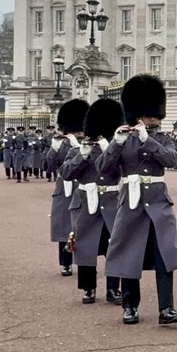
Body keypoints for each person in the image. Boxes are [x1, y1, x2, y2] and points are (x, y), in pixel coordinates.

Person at [100, 75, 177, 326]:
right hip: (131, 203)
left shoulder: (160, 139)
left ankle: (167, 308)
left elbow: (172, 161)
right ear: (137, 114)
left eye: (155, 116)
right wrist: (115, 143)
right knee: (130, 255)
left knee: (165, 257)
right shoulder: (122, 139)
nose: (154, 120)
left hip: (158, 204)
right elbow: (105, 170)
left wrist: (146, 139)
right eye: (150, 116)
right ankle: (129, 307)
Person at [61, 98, 124, 304]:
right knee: (85, 247)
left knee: (112, 246)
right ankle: (88, 288)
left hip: (110, 201)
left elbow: (123, 171)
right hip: (86, 202)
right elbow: (66, 174)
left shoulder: (116, 150)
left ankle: (113, 288)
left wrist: (109, 149)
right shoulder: (77, 149)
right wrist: (82, 155)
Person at [48, 99, 90, 277]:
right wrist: (54, 148)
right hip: (64, 189)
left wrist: (78, 146)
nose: (79, 133)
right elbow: (49, 166)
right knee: (64, 227)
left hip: (84, 188)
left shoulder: (88, 142)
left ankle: (85, 263)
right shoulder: (61, 143)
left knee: (86, 228)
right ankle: (65, 263)